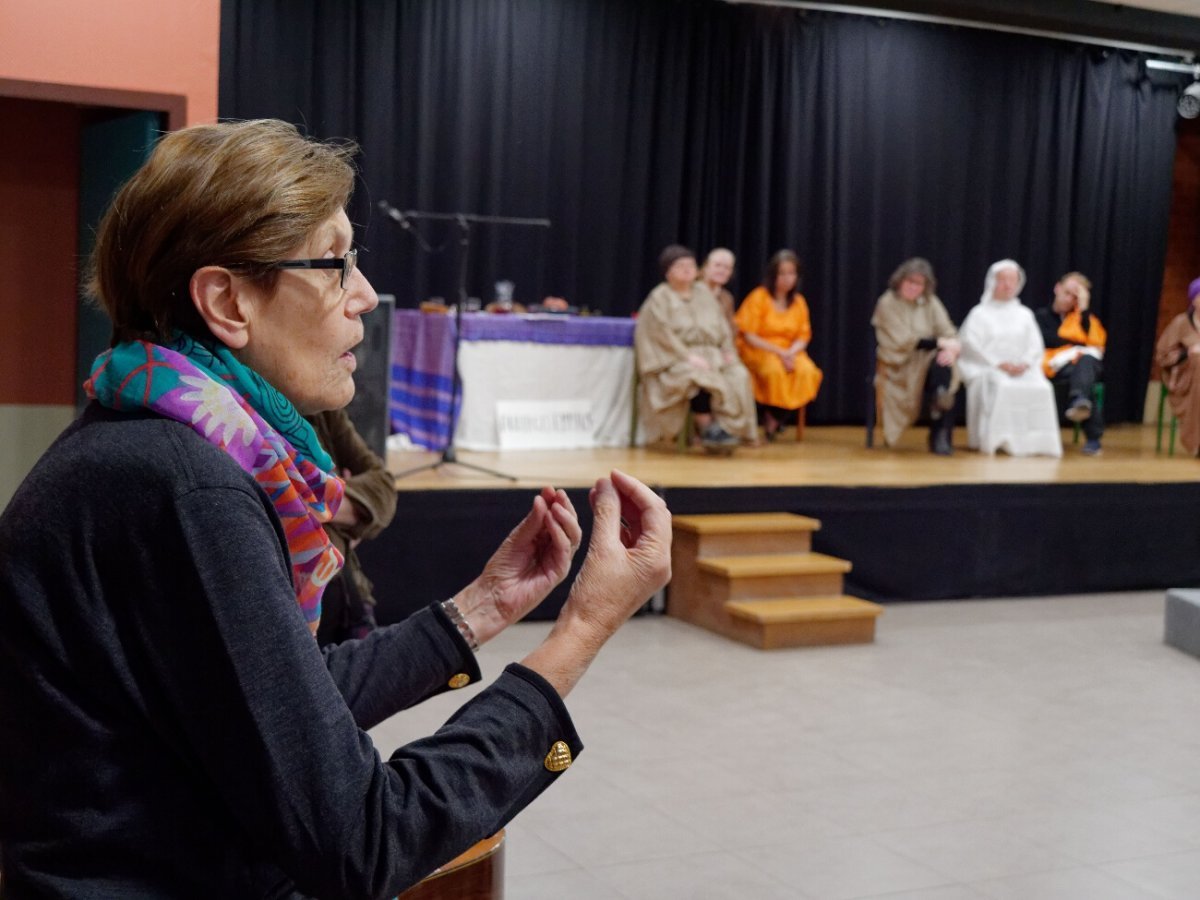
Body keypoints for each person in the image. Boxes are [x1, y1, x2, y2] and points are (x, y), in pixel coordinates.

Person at [0, 119, 673, 898]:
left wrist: (481, 608)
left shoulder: (150, 442)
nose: (361, 295)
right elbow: (363, 841)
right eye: (333, 262)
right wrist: (580, 635)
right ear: (227, 300)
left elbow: (278, 705)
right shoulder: (187, 486)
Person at [634, 244, 757, 450]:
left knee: (738, 374)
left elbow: (723, 328)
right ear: (668, 271)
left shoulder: (704, 293)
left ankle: (729, 428)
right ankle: (707, 428)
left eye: (691, 265)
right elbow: (660, 336)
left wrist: (727, 351)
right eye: (681, 266)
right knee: (696, 376)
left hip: (713, 355)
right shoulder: (659, 298)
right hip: (674, 359)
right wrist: (686, 356)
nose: (687, 270)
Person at [305, 407, 396, 644]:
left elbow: (384, 486)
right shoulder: (243, 412)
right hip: (299, 608)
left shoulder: (322, 410)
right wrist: (351, 515)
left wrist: (315, 506)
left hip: (349, 592)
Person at [958, 259, 1063, 457]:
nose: (1008, 285)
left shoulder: (1025, 314)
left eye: (1012, 280)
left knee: (1043, 388)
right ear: (992, 282)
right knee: (1002, 386)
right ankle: (998, 441)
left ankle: (1036, 444)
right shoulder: (979, 314)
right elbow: (971, 346)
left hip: (1023, 369)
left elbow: (1034, 346)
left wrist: (1024, 364)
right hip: (988, 369)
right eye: (1003, 280)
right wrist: (999, 364)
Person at [871, 257, 961, 455]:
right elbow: (903, 340)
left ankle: (939, 423)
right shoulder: (888, 302)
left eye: (919, 284)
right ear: (900, 280)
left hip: (927, 360)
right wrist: (940, 343)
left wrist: (951, 349)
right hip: (898, 363)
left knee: (943, 364)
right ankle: (940, 424)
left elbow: (947, 330)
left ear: (926, 286)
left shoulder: (930, 302)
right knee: (941, 369)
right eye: (910, 282)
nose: (913, 287)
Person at [734, 250, 823, 441]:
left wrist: (790, 353)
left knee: (807, 372)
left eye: (792, 273)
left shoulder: (798, 302)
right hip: (760, 349)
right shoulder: (759, 297)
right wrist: (780, 353)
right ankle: (772, 419)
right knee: (774, 371)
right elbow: (749, 335)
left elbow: (803, 335)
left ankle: (775, 417)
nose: (787, 279)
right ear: (773, 275)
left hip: (790, 350)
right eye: (782, 273)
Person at [1034, 271, 1107, 456]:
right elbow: (1046, 340)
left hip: (1079, 367)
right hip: (1051, 367)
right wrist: (1076, 344)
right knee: (1085, 375)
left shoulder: (1084, 320)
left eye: (1075, 297)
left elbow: (1096, 345)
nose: (1069, 299)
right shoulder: (1040, 316)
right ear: (1057, 288)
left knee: (1087, 362)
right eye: (1067, 293)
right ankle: (1093, 437)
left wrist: (1083, 309)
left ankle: (1079, 399)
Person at [1155, 276, 1200, 456]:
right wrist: (1187, 353)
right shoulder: (1181, 322)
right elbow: (1163, 355)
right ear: (1194, 299)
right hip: (1185, 377)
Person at [699, 247, 737, 336]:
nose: (722, 271)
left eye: (727, 268)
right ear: (706, 267)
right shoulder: (690, 290)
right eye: (717, 265)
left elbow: (731, 329)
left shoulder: (727, 297)